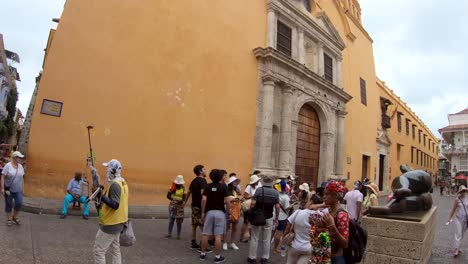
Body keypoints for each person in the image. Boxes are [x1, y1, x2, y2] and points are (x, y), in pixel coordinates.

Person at [92, 159, 129, 264]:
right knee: (115, 249)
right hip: (119, 222)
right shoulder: (122, 181)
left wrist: (101, 196)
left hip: (111, 223)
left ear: (113, 170)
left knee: (99, 250)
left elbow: (115, 204)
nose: (106, 171)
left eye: (108, 168)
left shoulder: (115, 185)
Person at [199, 169, 231, 263]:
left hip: (209, 212)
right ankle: (217, 257)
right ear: (221, 177)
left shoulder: (207, 186)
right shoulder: (223, 187)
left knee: (205, 234)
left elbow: (204, 200)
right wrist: (228, 212)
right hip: (220, 213)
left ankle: (202, 254)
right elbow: (228, 202)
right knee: (218, 235)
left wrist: (203, 212)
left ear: (210, 176)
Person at [247, 175, 280, 264]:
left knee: (254, 237)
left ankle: (252, 257)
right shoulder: (275, 193)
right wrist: (276, 218)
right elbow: (277, 207)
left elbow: (253, 203)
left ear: (263, 182)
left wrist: (251, 212)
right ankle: (265, 257)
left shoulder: (258, 190)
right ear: (271, 183)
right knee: (266, 238)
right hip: (269, 217)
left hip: (257, 216)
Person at [321, 180, 349, 264]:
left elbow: (345, 244)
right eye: (324, 194)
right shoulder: (328, 211)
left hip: (336, 258)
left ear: (335, 196)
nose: (324, 197)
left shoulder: (342, 215)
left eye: (327, 194)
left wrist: (331, 226)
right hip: (325, 256)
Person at [184, 164, 208, 250]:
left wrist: (185, 202)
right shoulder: (203, 181)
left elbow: (188, 192)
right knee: (204, 227)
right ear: (200, 171)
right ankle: (202, 245)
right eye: (204, 169)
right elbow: (203, 194)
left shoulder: (193, 181)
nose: (206, 170)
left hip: (194, 206)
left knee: (194, 225)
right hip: (200, 206)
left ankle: (193, 243)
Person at [0, 151, 25, 226]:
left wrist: (23, 188)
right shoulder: (8, 166)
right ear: (14, 158)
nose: (20, 159)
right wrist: (2, 188)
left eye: (21, 158)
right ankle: (9, 218)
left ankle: (15, 216)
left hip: (18, 190)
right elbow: (3, 177)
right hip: (9, 189)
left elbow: (22, 178)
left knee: (19, 203)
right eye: (19, 157)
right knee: (9, 204)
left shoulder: (20, 166)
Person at [447, 185, 468, 257]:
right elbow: (453, 209)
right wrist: (449, 218)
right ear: (460, 192)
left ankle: (458, 247)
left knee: (462, 234)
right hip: (458, 218)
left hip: (466, 219)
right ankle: (456, 249)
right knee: (458, 233)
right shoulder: (457, 199)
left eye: (464, 191)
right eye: (462, 191)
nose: (463, 192)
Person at [240, 173, 262, 242]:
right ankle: (242, 236)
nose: (258, 181)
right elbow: (245, 196)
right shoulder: (249, 187)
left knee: (253, 222)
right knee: (246, 222)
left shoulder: (259, 186)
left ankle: (251, 237)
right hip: (249, 206)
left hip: (255, 206)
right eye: (257, 181)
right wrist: (253, 196)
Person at [223, 174, 241, 250]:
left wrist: (239, 200)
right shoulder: (226, 191)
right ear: (231, 183)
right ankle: (224, 242)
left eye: (237, 181)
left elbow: (239, 198)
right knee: (226, 228)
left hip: (236, 211)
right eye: (235, 181)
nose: (236, 183)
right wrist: (233, 200)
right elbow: (224, 201)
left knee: (235, 228)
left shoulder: (235, 191)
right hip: (228, 210)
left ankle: (232, 243)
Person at [166, 175, 187, 239]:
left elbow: (184, 198)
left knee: (179, 221)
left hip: (179, 206)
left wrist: (181, 202)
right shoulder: (172, 188)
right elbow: (168, 196)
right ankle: (169, 234)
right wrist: (173, 197)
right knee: (171, 220)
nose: (179, 184)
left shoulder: (183, 189)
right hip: (172, 206)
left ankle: (178, 235)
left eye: (180, 183)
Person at [273, 180, 291, 254]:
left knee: (272, 231)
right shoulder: (286, 197)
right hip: (282, 217)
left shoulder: (275, 194)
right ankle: (275, 249)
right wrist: (291, 205)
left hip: (274, 214)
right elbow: (286, 208)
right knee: (279, 232)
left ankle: (267, 246)